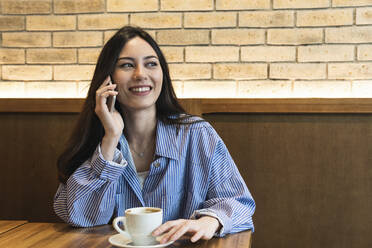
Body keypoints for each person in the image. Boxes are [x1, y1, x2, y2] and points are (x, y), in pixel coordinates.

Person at [53, 25, 255, 244]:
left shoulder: (197, 134)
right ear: (108, 80)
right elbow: (80, 217)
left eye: (151, 64)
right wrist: (110, 138)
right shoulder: (98, 143)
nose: (141, 74)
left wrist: (208, 221)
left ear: (162, 75)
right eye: (127, 65)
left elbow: (240, 203)